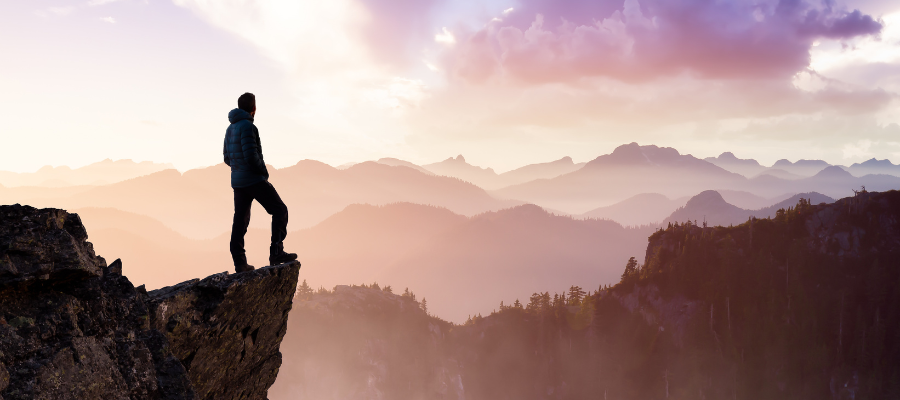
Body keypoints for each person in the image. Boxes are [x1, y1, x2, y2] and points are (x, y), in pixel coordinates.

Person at [223, 92, 297, 272]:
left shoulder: (230, 128)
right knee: (280, 210)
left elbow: (227, 158)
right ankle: (276, 252)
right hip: (253, 179)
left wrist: (238, 169)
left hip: (238, 182)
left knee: (240, 220)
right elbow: (251, 156)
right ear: (253, 108)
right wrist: (263, 172)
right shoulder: (248, 127)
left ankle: (240, 263)